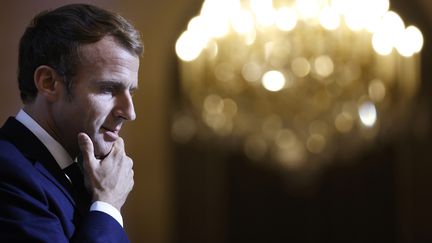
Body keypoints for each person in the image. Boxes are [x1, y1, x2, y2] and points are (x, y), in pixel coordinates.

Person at [0, 3, 143, 242]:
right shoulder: (7, 172)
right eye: (108, 89)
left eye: (131, 92)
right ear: (48, 83)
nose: (129, 112)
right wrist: (107, 204)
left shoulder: (82, 172)